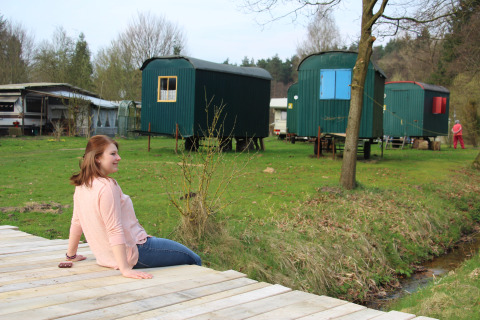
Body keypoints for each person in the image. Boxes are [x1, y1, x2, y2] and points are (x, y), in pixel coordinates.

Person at [65, 135, 201, 279]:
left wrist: (71, 255)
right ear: (97, 158)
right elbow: (114, 228)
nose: (119, 158)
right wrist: (125, 269)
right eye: (112, 154)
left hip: (107, 258)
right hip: (136, 251)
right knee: (194, 258)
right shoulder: (107, 187)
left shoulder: (82, 186)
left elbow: (77, 221)